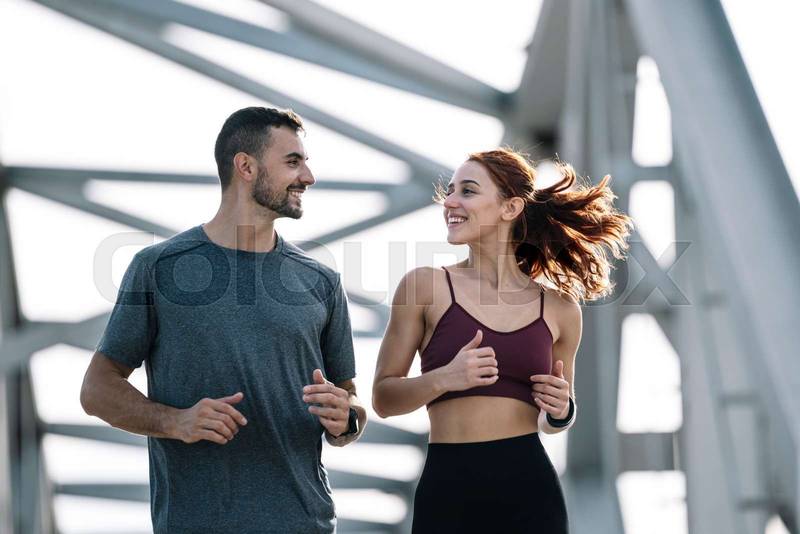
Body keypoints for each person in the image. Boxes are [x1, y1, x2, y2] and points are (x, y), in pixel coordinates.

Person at [80, 107, 367, 534]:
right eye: (293, 162)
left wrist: (347, 419)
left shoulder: (321, 280)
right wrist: (175, 421)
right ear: (246, 166)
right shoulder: (159, 267)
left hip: (306, 523)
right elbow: (96, 389)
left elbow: (351, 404)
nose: (309, 176)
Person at [372, 148, 632, 533]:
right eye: (451, 189)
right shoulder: (424, 286)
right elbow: (383, 399)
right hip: (448, 489)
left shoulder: (560, 309)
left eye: (468, 191)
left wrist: (563, 408)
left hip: (529, 490)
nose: (450, 201)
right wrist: (444, 378)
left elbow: (553, 421)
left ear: (510, 208)